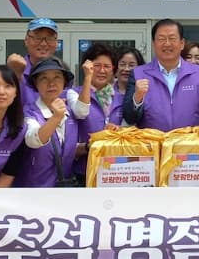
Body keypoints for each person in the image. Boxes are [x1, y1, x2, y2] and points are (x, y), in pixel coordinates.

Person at [123, 18, 199, 130]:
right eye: (161, 39)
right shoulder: (138, 74)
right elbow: (129, 118)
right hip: (153, 140)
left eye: (172, 38)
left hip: (189, 140)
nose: (167, 43)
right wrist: (137, 98)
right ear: (154, 44)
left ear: (182, 44)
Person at [20, 58, 87, 187]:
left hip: (64, 190)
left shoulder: (70, 112)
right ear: (36, 83)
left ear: (64, 82)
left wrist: (87, 147)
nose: (51, 83)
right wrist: (56, 117)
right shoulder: (30, 112)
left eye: (57, 77)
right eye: (44, 78)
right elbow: (33, 140)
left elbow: (65, 147)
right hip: (35, 189)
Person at [73, 42, 122, 184]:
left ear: (113, 70)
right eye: (97, 66)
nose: (102, 70)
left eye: (107, 66)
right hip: (83, 169)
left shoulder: (120, 98)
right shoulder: (73, 94)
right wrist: (87, 78)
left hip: (114, 170)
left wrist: (118, 131)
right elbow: (80, 112)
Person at [7, 17, 60, 107]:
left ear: (56, 43)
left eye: (50, 38)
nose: (43, 43)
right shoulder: (15, 69)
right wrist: (15, 76)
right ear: (26, 40)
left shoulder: (62, 72)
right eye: (37, 38)